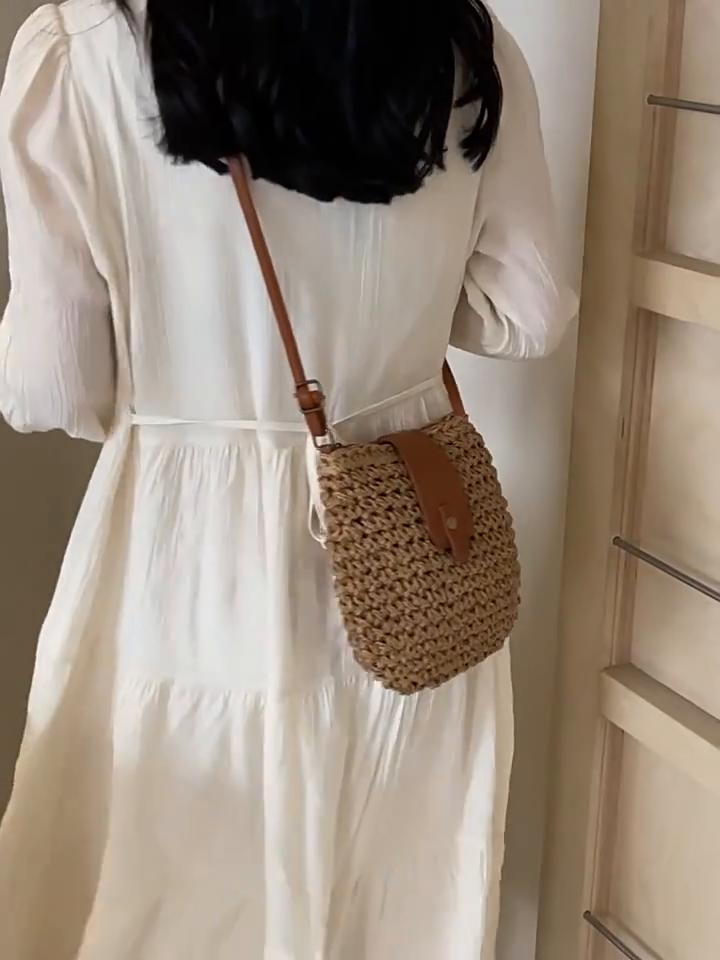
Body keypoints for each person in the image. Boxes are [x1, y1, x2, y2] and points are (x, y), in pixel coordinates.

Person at [0, 1, 576, 957]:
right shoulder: (460, 47)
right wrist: (389, 351)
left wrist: (185, 398)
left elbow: (51, 387)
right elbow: (530, 313)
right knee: (392, 895)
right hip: (409, 569)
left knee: (177, 891)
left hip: (188, 566)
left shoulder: (82, 53)